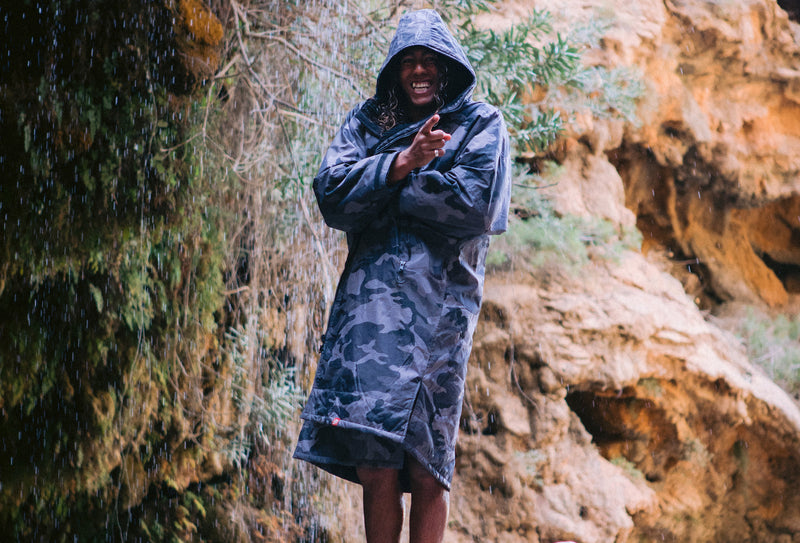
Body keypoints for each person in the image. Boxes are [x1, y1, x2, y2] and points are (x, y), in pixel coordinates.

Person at [293, 9, 510, 543]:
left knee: (427, 464)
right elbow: (332, 194)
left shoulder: (480, 124)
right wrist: (401, 162)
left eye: (429, 61)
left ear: (447, 67)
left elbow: (476, 205)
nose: (419, 71)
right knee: (375, 461)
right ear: (394, 69)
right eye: (408, 61)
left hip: (439, 314)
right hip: (368, 315)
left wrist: (392, 186)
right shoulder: (368, 123)